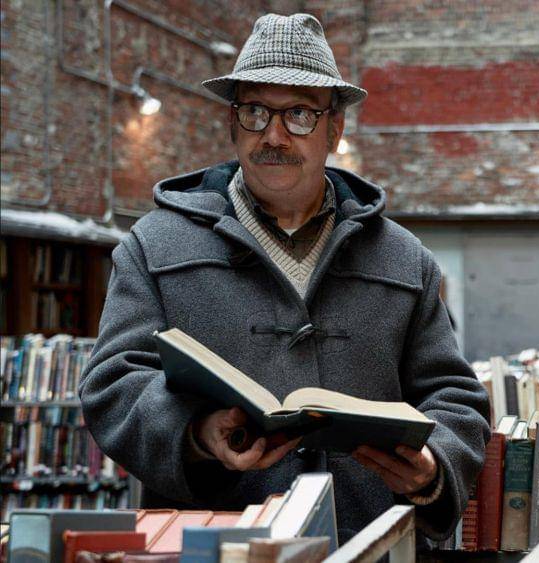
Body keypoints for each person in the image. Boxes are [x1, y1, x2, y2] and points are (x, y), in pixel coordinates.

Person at [80, 13, 490, 543]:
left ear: (334, 129)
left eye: (298, 113)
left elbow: (454, 396)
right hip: (213, 543)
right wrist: (197, 432)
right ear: (232, 122)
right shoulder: (154, 246)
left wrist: (433, 466)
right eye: (254, 111)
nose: (273, 136)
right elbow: (113, 384)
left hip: (365, 544)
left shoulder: (403, 259)